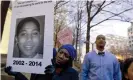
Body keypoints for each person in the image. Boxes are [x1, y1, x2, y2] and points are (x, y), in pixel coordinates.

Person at [5, 44, 79, 80]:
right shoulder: (44, 68)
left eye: (66, 55)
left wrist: (54, 75)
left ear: (69, 60)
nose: (61, 56)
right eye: (60, 52)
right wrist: (17, 74)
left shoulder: (73, 74)